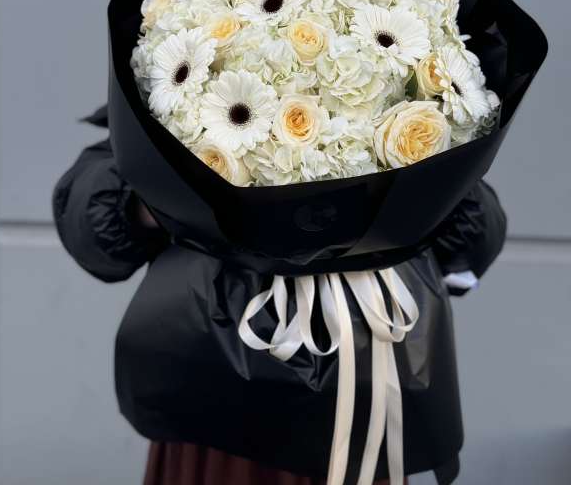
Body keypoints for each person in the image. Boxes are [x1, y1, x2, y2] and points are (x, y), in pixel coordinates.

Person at [53, 105, 506, 485]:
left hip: (360, 395)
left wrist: (433, 169)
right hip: (215, 399)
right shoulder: (193, 53)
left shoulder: (408, 73)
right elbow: (92, 228)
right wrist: (157, 197)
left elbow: (472, 238)